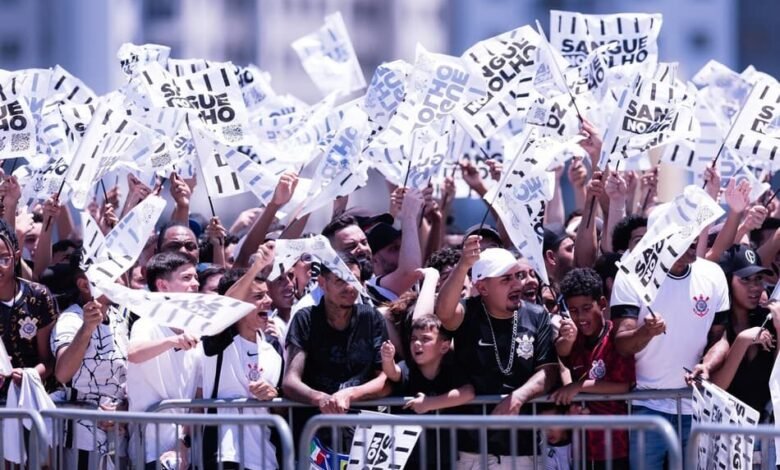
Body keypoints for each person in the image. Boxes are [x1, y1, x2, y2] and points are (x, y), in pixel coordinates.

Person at [435, 236, 558, 469]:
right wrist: (463, 265)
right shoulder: (468, 313)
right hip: (472, 451)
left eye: (517, 276)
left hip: (523, 450)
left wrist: (518, 397)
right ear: (482, 288)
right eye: (506, 279)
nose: (517, 285)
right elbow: (443, 313)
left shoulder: (537, 315)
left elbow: (549, 370)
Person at [611, 240, 730, 469]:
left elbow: (720, 339)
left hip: (696, 406)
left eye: (694, 237)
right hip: (646, 404)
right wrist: (646, 332)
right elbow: (622, 345)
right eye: (684, 238)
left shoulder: (713, 274)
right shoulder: (631, 274)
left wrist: (707, 365)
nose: (693, 242)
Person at [282, 253, 389, 448]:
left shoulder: (372, 318)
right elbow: (290, 381)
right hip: (314, 437)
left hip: (363, 436)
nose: (350, 287)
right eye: (341, 280)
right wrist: (321, 399)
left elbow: (385, 379)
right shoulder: (305, 319)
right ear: (322, 283)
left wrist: (350, 394)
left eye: (355, 280)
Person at [197, 243, 283, 470]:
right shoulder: (218, 338)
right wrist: (256, 267)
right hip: (225, 455)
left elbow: (281, 406)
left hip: (266, 459)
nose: (268, 301)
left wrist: (272, 395)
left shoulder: (273, 348)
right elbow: (226, 307)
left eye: (267, 294)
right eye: (258, 296)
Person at [46, 251, 130, 466]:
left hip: (118, 437)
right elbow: (62, 373)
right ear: (84, 285)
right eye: (112, 276)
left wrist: (123, 409)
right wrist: (87, 328)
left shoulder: (119, 320)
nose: (121, 282)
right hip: (81, 439)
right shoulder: (70, 319)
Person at [552, 268, 634, 469]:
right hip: (582, 447)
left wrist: (578, 387)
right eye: (573, 310)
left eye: (587, 308)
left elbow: (623, 386)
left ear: (603, 303)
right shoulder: (575, 337)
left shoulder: (615, 337)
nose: (580, 316)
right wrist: (567, 338)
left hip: (616, 444)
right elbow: (561, 353)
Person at [126, 251, 201, 469]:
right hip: (149, 451)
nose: (196, 284)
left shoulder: (197, 329)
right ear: (163, 285)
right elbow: (134, 352)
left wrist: (183, 443)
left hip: (186, 454)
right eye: (186, 278)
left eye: (196, 277)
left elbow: (198, 395)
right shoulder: (146, 324)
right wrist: (172, 341)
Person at [380, 314, 475, 468]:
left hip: (443, 459)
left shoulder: (451, 371)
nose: (417, 343)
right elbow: (393, 372)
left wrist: (429, 403)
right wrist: (387, 360)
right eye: (413, 339)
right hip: (407, 459)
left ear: (444, 346)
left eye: (425, 339)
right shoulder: (407, 367)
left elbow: (468, 392)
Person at [321, 189, 424, 304]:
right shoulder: (318, 300)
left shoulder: (372, 289)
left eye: (364, 242)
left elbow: (412, 270)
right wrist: (409, 216)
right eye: (351, 246)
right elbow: (409, 272)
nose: (362, 248)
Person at [711, 245, 777, 418]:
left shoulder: (768, 319)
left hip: (765, 428)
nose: (754, 287)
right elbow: (715, 386)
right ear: (728, 281)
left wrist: (779, 327)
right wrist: (742, 341)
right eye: (745, 279)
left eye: (758, 279)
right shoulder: (717, 324)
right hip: (725, 429)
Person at [0, 217, 57, 397]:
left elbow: (49, 361)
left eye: (3, 259)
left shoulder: (39, 297)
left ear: (17, 257)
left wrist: (28, 376)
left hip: (36, 398)